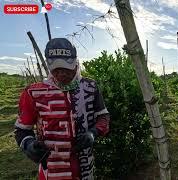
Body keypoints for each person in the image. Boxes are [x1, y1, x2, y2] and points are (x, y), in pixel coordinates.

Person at [14, 38, 110, 179]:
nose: (61, 74)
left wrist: (93, 133)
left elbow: (103, 116)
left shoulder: (90, 87)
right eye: (56, 69)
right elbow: (22, 129)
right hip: (52, 170)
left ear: (76, 63)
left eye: (66, 68)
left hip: (85, 168)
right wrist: (28, 144)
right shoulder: (33, 93)